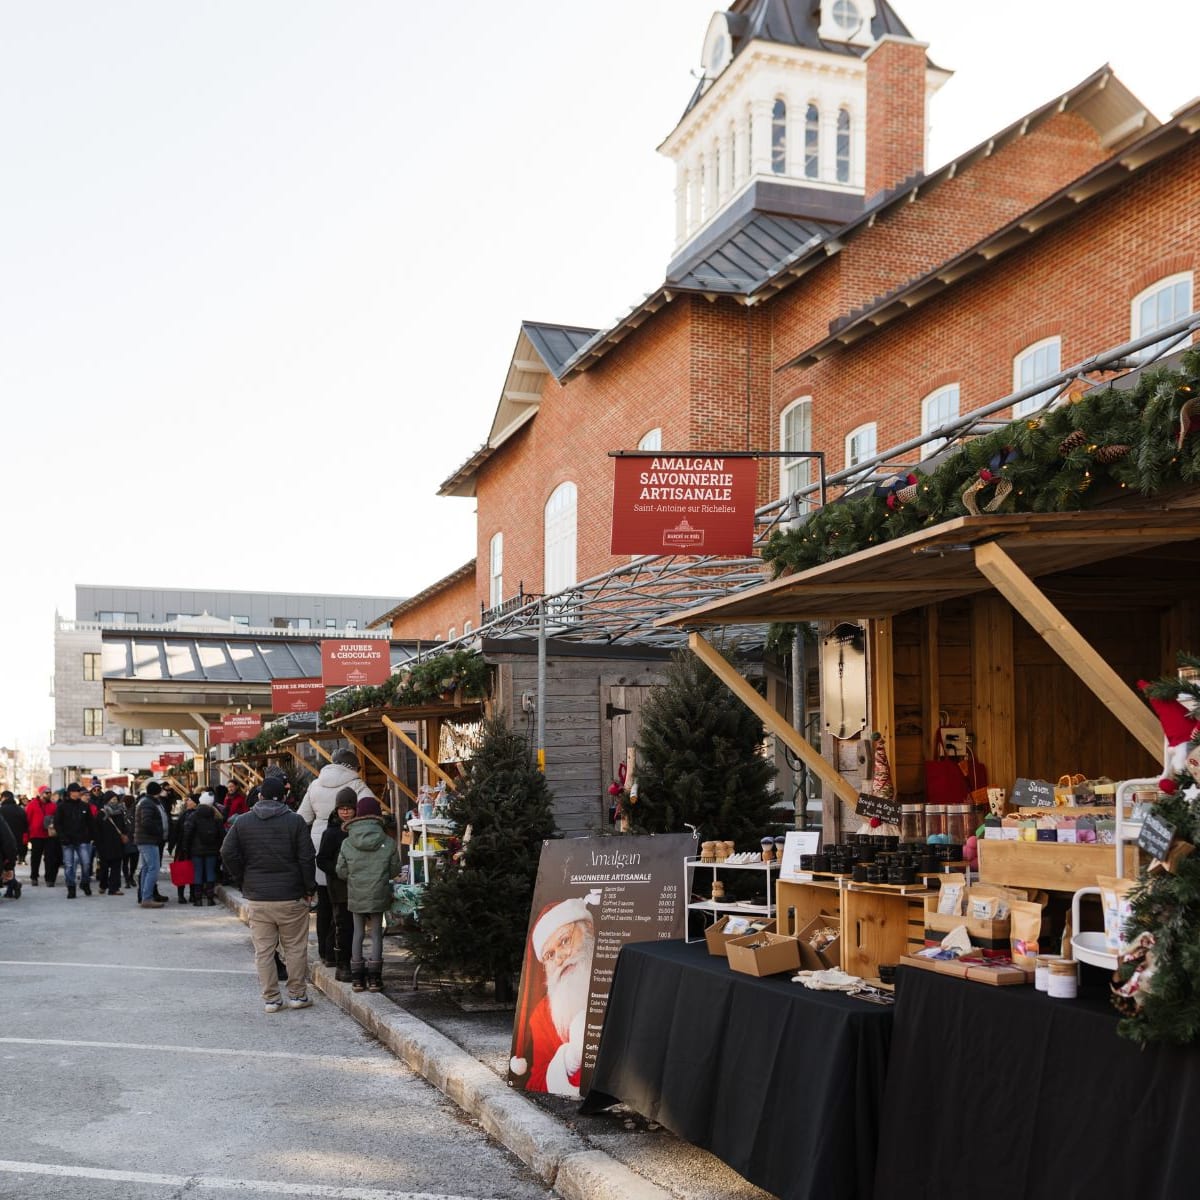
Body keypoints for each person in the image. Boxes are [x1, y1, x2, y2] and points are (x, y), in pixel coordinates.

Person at [220, 774, 316, 1013]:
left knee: (263, 950)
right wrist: (309, 888)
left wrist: (242, 877)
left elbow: (227, 852)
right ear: (284, 797)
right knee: (294, 948)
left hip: (258, 896)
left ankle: (271, 999)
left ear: (260, 796)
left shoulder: (243, 821)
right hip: (291, 894)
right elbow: (306, 858)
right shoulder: (295, 821)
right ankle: (297, 995)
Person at [509, 895, 598, 1098]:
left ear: (588, 929)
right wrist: (569, 1060)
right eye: (549, 955)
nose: (559, 958)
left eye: (565, 941)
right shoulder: (543, 1014)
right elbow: (535, 1082)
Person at [298, 748, 374, 969]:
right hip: (346, 841)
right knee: (343, 906)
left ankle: (325, 952)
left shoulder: (315, 784)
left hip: (318, 843)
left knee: (324, 903)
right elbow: (371, 810)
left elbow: (303, 817)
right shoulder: (357, 785)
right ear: (353, 766)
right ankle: (340, 953)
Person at [335, 796, 401, 994]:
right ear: (378, 815)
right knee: (376, 933)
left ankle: (357, 979)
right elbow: (395, 870)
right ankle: (374, 978)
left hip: (356, 891)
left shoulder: (347, 842)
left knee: (358, 932)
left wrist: (355, 877)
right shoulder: (388, 841)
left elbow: (341, 871)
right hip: (378, 891)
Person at [315, 788, 357, 982]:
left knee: (349, 924)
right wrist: (338, 871)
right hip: (338, 886)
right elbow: (321, 859)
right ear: (336, 809)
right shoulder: (331, 832)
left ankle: (343, 956)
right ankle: (339, 961)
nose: (345, 812)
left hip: (357, 885)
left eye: (349, 808)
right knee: (341, 923)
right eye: (342, 808)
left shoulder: (358, 830)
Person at [56, 781, 96, 898]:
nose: (78, 793)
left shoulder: (84, 806)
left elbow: (90, 823)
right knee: (69, 865)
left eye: (79, 791)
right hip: (67, 841)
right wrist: (62, 837)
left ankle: (85, 882)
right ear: (70, 793)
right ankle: (71, 887)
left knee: (86, 863)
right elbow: (58, 823)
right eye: (77, 791)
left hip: (82, 839)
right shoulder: (62, 806)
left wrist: (92, 837)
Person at [133, 781, 167, 909]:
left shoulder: (149, 801)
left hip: (146, 840)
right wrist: (158, 832)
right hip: (148, 840)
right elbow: (147, 822)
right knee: (153, 868)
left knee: (147, 868)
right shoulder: (148, 803)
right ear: (157, 791)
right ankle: (147, 898)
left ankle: (144, 897)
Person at [188, 792, 224, 906]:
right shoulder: (216, 816)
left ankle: (198, 899)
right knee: (210, 871)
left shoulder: (193, 815)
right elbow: (221, 834)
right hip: (212, 849)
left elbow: (188, 832)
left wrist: (186, 847)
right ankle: (210, 899)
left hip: (196, 849)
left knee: (197, 872)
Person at [94, 790, 130, 896]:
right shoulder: (101, 814)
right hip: (104, 845)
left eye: (116, 799)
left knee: (116, 867)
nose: (115, 801)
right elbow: (97, 831)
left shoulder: (119, 813)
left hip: (117, 845)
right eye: (112, 799)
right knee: (104, 868)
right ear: (107, 800)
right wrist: (98, 845)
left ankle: (114, 888)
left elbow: (123, 827)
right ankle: (103, 885)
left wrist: (125, 834)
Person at [26, 786, 60, 887]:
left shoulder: (53, 806)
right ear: (41, 794)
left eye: (50, 792)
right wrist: (27, 834)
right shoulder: (32, 804)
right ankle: (34, 877)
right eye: (46, 793)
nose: (49, 794)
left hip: (49, 835)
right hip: (36, 835)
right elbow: (27, 819)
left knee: (50, 857)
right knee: (35, 857)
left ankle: (49, 879)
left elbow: (57, 818)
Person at [1, 792, 27, 896]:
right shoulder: (20, 810)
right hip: (15, 841)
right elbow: (25, 825)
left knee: (5, 869)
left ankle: (13, 886)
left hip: (4, 842)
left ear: (4, 798)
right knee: (9, 867)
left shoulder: (1, 810)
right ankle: (12, 887)